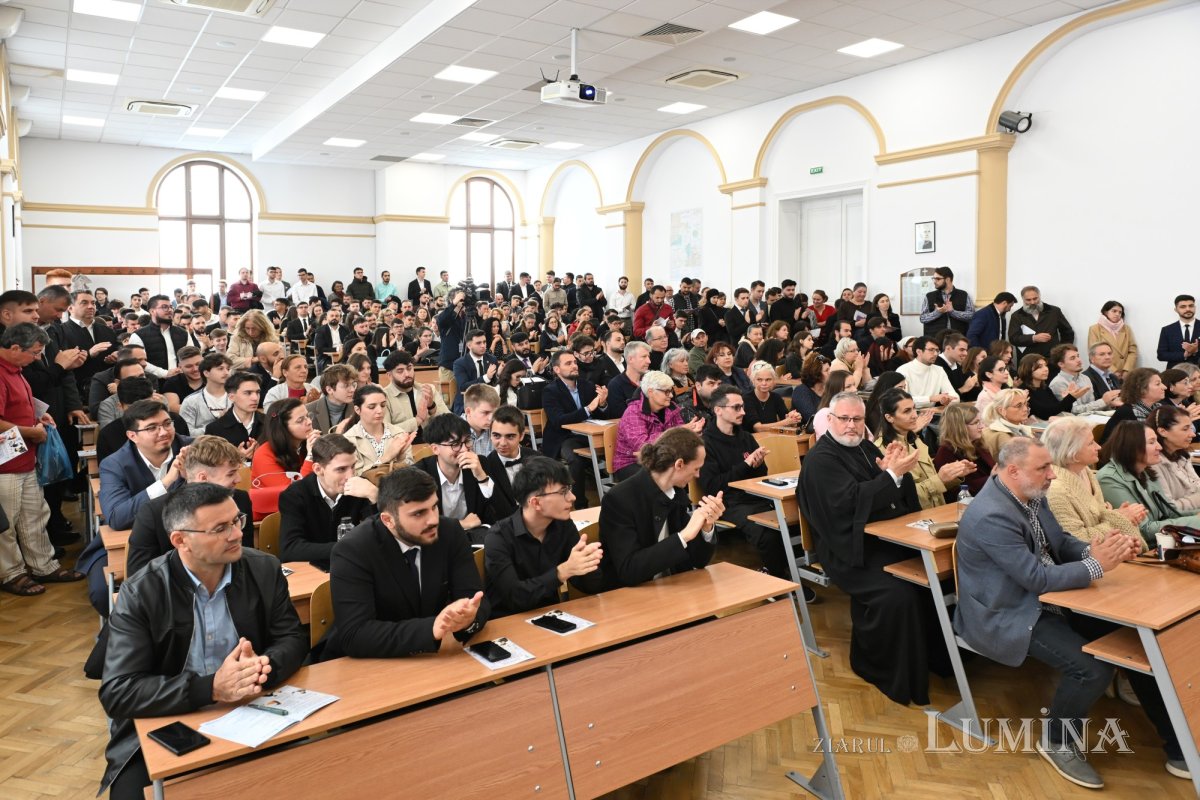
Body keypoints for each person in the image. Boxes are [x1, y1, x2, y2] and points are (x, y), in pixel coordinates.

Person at [952, 438, 1183, 790]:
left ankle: (1177, 741)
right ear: (1013, 471)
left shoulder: (1032, 494)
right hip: (1010, 611)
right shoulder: (990, 515)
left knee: (1137, 640)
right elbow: (1034, 578)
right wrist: (1096, 566)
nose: (1051, 475)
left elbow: (1060, 544)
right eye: (1043, 468)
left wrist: (1099, 547)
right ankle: (1057, 741)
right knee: (1092, 668)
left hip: (1051, 598)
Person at [98, 483, 307, 799]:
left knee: (314, 773)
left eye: (237, 521)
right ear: (181, 541)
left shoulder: (263, 568)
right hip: (169, 716)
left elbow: (291, 637)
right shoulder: (142, 592)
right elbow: (118, 692)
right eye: (220, 529)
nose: (236, 534)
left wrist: (262, 667)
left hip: (250, 709)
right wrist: (210, 687)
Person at [798, 391, 949, 705]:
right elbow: (850, 503)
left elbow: (883, 494)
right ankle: (878, 667)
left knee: (933, 578)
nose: (851, 426)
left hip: (880, 540)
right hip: (848, 551)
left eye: (857, 419)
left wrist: (897, 475)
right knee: (900, 594)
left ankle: (937, 661)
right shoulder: (820, 460)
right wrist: (892, 475)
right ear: (830, 420)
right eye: (844, 419)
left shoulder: (864, 447)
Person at [323, 467, 489, 658]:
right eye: (418, 514)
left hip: (433, 657)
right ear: (388, 520)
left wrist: (468, 619)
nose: (433, 520)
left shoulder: (449, 532)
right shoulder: (353, 550)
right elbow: (355, 635)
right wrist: (430, 629)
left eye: (434, 507)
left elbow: (476, 598)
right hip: (370, 663)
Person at [0, 323, 82, 596]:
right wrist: (31, 432)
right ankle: (11, 573)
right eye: (34, 353)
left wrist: (38, 418)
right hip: (5, 464)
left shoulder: (16, 370)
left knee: (34, 516)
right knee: (7, 523)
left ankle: (43, 565)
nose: (37, 358)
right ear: (14, 348)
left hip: (24, 458)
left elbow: (17, 407)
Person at [599, 427, 724, 587]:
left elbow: (697, 561)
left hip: (674, 587)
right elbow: (629, 570)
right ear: (679, 464)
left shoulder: (676, 493)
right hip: (635, 595)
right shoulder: (619, 499)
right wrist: (684, 536)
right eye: (696, 468)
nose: (698, 475)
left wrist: (706, 528)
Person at [483, 456, 604, 616]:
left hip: (551, 616)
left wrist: (587, 563)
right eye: (563, 492)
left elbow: (590, 586)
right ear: (536, 503)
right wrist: (562, 572)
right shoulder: (498, 537)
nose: (572, 498)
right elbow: (515, 597)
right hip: (506, 623)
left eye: (569, 489)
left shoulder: (563, 525)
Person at [125, 435, 255, 577]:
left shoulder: (240, 500)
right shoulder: (153, 513)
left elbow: (245, 559)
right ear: (203, 478)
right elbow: (139, 579)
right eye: (231, 474)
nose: (239, 479)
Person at [701, 385, 793, 580]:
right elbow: (712, 486)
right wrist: (746, 465)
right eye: (736, 407)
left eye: (742, 406)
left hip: (755, 496)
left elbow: (762, 473)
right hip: (727, 501)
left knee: (793, 521)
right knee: (767, 532)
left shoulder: (745, 437)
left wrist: (756, 464)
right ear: (718, 410)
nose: (743, 412)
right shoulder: (705, 443)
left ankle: (791, 571)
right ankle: (780, 578)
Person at [1042, 416, 1146, 549]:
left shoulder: (1085, 471)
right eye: (1091, 443)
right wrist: (1119, 518)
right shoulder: (1056, 491)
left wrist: (1115, 514)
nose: (1098, 446)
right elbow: (1076, 541)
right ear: (1072, 452)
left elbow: (1100, 516)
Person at [1097, 420, 1200, 549]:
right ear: (1132, 446)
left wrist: (1196, 515)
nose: (1160, 447)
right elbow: (1143, 530)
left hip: (1162, 543)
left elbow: (1169, 511)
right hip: (1141, 550)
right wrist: (1195, 521)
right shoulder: (1109, 479)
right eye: (1152, 442)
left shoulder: (1146, 470)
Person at [278, 433, 377, 566]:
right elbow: (290, 549)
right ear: (318, 469)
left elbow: (380, 539)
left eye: (353, 466)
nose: (350, 475)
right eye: (341, 469)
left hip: (353, 567)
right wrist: (347, 548)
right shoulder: (295, 496)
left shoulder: (362, 488)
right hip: (313, 572)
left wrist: (376, 497)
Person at [415, 413, 513, 542]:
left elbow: (505, 515)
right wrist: (461, 524)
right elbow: (418, 524)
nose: (464, 450)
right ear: (435, 449)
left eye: (467, 441)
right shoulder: (420, 474)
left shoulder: (479, 464)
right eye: (455, 444)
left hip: (473, 539)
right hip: (436, 542)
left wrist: (481, 477)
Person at [99, 399, 191, 531]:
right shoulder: (114, 464)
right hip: (139, 535)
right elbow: (117, 518)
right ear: (132, 436)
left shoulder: (193, 448)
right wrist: (166, 481)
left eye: (167, 424)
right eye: (152, 428)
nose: (164, 432)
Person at [875, 389, 973, 508]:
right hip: (913, 518)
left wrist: (953, 474)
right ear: (889, 418)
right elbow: (900, 497)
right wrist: (939, 479)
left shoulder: (915, 440)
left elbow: (934, 489)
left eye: (914, 409)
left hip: (935, 512)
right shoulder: (884, 450)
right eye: (907, 411)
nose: (915, 415)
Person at [541, 350, 609, 505]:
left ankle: (614, 494)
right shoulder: (550, 391)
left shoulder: (587, 385)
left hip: (591, 433)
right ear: (557, 369)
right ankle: (579, 503)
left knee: (617, 446)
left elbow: (602, 415)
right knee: (575, 459)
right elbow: (558, 421)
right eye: (568, 363)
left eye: (574, 362)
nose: (574, 366)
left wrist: (603, 404)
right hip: (565, 436)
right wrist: (587, 410)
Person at [613, 370, 701, 480]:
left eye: (671, 391)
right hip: (631, 462)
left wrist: (691, 433)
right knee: (663, 475)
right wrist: (676, 432)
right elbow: (642, 445)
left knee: (690, 466)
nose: (671, 395)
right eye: (666, 392)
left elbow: (679, 438)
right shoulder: (633, 412)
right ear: (650, 392)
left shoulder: (671, 407)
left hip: (664, 458)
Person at [250, 398, 318, 520]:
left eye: (308, 416)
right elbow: (293, 494)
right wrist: (311, 456)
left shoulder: (304, 445)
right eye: (300, 420)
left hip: (306, 510)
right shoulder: (264, 454)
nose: (308, 422)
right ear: (283, 428)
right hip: (274, 517)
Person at [341, 384, 416, 474]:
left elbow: (411, 472)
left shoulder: (399, 433)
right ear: (357, 410)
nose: (380, 411)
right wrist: (386, 458)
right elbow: (353, 476)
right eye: (372, 407)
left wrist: (400, 460)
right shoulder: (348, 440)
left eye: (383, 405)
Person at [933, 402, 995, 502]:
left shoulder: (979, 443)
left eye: (980, 421)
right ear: (960, 427)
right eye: (975, 423)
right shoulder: (946, 452)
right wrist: (993, 478)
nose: (981, 426)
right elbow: (954, 493)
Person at [382, 350, 447, 438]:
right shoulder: (383, 397)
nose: (407, 374)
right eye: (400, 371)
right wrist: (417, 420)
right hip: (402, 448)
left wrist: (432, 407)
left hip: (432, 445)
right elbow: (385, 432)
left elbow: (448, 421)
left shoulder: (428, 389)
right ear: (389, 376)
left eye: (409, 368)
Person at [481, 405, 535, 509]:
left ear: (522, 435)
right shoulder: (486, 467)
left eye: (510, 436)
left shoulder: (536, 458)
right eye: (496, 436)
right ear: (490, 434)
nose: (502, 443)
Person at [1047, 343, 1123, 416]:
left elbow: (1091, 406)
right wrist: (1103, 401)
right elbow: (1073, 410)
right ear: (1061, 364)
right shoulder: (1058, 383)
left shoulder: (1085, 378)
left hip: (1090, 418)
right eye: (1072, 358)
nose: (1079, 360)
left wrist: (1109, 403)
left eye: (1078, 356)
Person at [1149, 405, 1200, 511]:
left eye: (1190, 428)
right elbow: (1168, 508)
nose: (1192, 434)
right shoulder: (1154, 463)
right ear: (1163, 431)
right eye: (1185, 429)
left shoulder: (1181, 455)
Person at [203, 371, 262, 456]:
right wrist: (236, 457)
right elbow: (210, 462)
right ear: (231, 397)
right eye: (248, 393)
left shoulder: (272, 423)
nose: (255, 398)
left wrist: (263, 453)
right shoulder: (214, 429)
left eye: (258, 392)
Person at [1008, 285, 1074, 360]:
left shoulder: (1054, 311)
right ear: (1023, 299)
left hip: (1052, 359)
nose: (1032, 302)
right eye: (1028, 300)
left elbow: (1067, 332)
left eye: (1035, 298)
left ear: (1039, 296)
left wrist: (1062, 351)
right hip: (1028, 361)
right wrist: (1033, 338)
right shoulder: (1016, 316)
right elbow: (1013, 338)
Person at [1099, 367, 1164, 442]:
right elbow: (1142, 443)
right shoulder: (1129, 412)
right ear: (1141, 389)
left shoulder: (1157, 407)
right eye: (1158, 384)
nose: (1164, 387)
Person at [178, 352, 233, 434]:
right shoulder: (191, 402)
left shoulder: (237, 398)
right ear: (206, 373)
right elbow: (186, 433)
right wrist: (217, 425)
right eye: (220, 369)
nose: (226, 373)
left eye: (228, 369)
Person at [896, 336, 956, 405]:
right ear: (919, 351)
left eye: (937, 350)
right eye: (931, 350)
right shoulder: (903, 370)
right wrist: (930, 398)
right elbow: (901, 400)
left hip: (932, 412)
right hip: (909, 413)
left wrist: (948, 400)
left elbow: (954, 396)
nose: (936, 354)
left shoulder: (939, 370)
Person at [742, 360, 800, 431]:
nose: (764, 383)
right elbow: (758, 428)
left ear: (773, 381)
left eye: (768, 379)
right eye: (759, 380)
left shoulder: (776, 397)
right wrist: (786, 422)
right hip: (753, 440)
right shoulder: (747, 399)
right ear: (753, 380)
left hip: (772, 438)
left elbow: (787, 419)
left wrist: (793, 417)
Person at [1016, 353, 1077, 421]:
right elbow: (1045, 414)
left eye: (1046, 365)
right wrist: (1070, 398)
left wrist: (1068, 398)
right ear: (1028, 369)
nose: (1046, 369)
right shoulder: (1024, 390)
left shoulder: (1045, 388)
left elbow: (1062, 410)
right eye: (1040, 367)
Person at [450, 329, 497, 415]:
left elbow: (494, 383)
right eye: (478, 343)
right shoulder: (460, 363)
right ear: (469, 345)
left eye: (484, 342)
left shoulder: (491, 359)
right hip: (467, 404)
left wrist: (499, 375)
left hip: (488, 402)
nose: (483, 346)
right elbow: (463, 386)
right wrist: (486, 378)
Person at [1088, 300, 1138, 379]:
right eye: (1114, 311)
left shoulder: (1126, 328)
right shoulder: (1095, 329)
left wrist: (1127, 370)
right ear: (1105, 312)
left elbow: (1133, 351)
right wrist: (1113, 371)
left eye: (1120, 312)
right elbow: (1094, 353)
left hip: (1125, 373)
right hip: (1105, 371)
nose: (1117, 314)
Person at [918, 267, 975, 335]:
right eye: (934, 278)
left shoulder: (964, 295)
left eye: (938, 279)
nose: (934, 281)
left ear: (948, 279)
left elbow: (972, 316)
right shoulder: (929, 296)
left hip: (958, 339)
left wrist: (953, 312)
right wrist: (937, 312)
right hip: (934, 340)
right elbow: (922, 318)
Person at [980, 388, 1034, 455]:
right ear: (1001, 411)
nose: (1025, 409)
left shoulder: (1019, 428)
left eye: (1026, 404)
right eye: (1019, 406)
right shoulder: (1001, 436)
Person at [606, 339, 651, 418]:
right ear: (630, 359)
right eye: (644, 357)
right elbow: (620, 416)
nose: (649, 361)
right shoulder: (616, 385)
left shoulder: (651, 380)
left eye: (648, 357)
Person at [306, 364, 357, 433]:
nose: (352, 389)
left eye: (353, 384)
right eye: (346, 386)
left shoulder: (358, 408)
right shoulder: (309, 410)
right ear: (329, 390)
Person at [1157, 294, 1199, 367]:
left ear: (1195, 307)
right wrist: (1184, 355)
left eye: (1191, 306)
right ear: (1176, 310)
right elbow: (1161, 355)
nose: (1188, 309)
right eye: (1183, 307)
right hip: (1176, 374)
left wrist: (1196, 351)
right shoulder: (1167, 330)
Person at [161, 345, 204, 412]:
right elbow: (172, 407)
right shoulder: (172, 383)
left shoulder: (213, 378)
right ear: (180, 367)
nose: (195, 369)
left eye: (198, 364)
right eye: (189, 366)